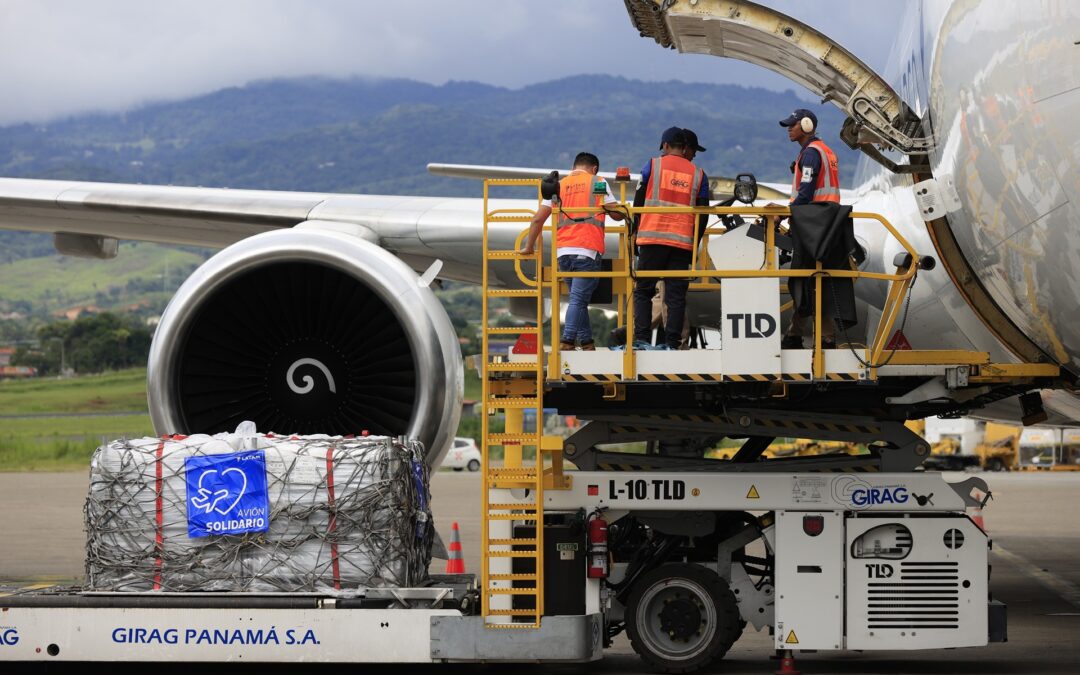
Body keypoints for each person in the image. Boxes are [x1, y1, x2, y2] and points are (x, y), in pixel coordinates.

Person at [519, 152, 624, 351]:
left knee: (578, 301)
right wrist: (626, 212)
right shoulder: (597, 182)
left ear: (574, 166)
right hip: (587, 249)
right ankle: (567, 341)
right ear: (594, 169)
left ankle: (586, 342)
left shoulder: (558, 185)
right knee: (578, 300)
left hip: (563, 254)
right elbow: (615, 214)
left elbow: (537, 219)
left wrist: (528, 246)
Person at [631, 127, 709, 350]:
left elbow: (638, 203)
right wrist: (694, 244)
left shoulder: (652, 165)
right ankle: (673, 343)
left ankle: (641, 339)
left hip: (651, 239)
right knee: (675, 296)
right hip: (681, 243)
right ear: (684, 148)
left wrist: (635, 234)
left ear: (665, 146)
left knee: (644, 291)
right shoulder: (699, 174)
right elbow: (703, 215)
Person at [779, 108, 841, 349]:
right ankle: (799, 334)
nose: (789, 129)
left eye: (792, 125)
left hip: (813, 226)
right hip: (824, 224)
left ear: (806, 126)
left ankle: (814, 336)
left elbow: (805, 193)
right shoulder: (823, 150)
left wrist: (786, 213)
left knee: (805, 281)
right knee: (813, 282)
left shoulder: (812, 154)